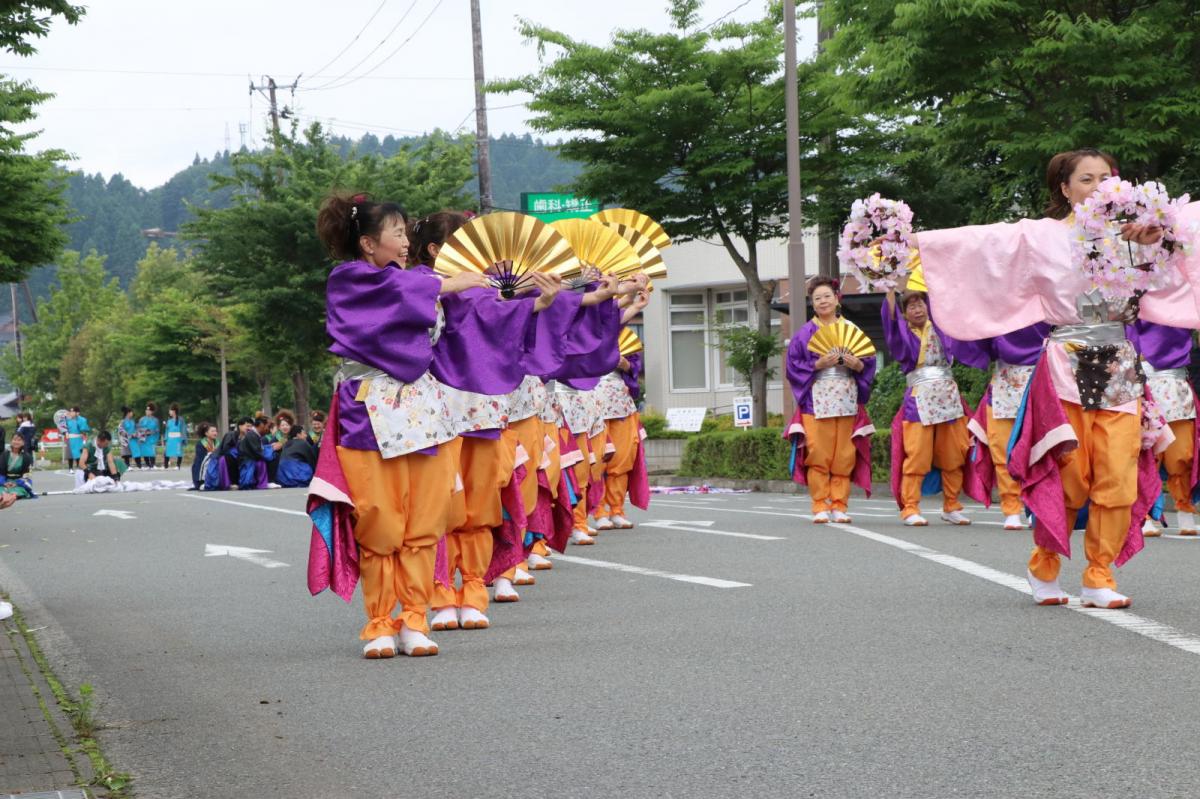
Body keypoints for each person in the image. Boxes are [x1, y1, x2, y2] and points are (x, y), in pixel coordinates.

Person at [916, 147, 1199, 609]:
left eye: (1105, 177)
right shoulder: (1038, 237)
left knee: (1117, 475)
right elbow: (979, 245)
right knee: (1070, 476)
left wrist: (1157, 240)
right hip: (1065, 361)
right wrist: (917, 246)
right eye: (1085, 179)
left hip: (1119, 365)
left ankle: (1098, 575)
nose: (1097, 186)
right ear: (1064, 189)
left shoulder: (1135, 233)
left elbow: (1182, 255)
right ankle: (1044, 563)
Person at [307, 192, 487, 659]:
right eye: (397, 232)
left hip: (423, 411)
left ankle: (414, 618)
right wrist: (447, 284)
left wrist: (531, 298)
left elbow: (473, 322)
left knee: (424, 520)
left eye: (407, 232)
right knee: (379, 520)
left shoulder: (422, 281)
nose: (406, 241)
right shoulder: (350, 280)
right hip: (367, 411)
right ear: (368, 243)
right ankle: (380, 622)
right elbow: (399, 293)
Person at [785, 277, 877, 523]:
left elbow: (868, 363)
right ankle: (819, 504)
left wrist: (857, 364)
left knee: (844, 455)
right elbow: (792, 367)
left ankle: (839, 504)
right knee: (818, 454)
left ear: (837, 298)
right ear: (812, 304)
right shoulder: (804, 334)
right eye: (817, 298)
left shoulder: (853, 331)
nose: (823, 301)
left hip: (847, 399)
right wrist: (817, 364)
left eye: (827, 296)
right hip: (816, 403)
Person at [881, 289, 972, 526]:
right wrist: (889, 286)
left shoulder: (941, 327)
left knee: (954, 454)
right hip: (919, 397)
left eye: (920, 303)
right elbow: (890, 322)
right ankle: (910, 507)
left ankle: (951, 505)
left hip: (948, 396)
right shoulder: (903, 334)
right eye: (911, 306)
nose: (917, 309)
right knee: (917, 455)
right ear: (904, 314)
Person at [950, 323, 1051, 530]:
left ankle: (1037, 508)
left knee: (1040, 449)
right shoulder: (995, 310)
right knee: (1004, 453)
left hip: (1040, 375)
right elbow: (976, 340)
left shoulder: (1041, 301)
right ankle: (1012, 508)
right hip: (1005, 382)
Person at [1126, 321, 1199, 536]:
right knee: (1148, 454)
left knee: (1183, 455)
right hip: (1146, 383)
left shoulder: (1185, 302)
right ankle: (1145, 514)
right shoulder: (1137, 296)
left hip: (1177, 386)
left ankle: (1184, 509)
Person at [237, 416, 273, 490]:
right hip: (247, 462)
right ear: (261, 425)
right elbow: (259, 452)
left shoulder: (254, 434)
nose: (268, 429)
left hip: (250, 460)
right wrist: (272, 449)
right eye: (268, 426)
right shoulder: (251, 435)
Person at [0, 435, 34, 501]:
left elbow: (27, 475)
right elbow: (1, 472)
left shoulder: (27, 457)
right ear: (11, 441)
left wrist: (16, 483)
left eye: (19, 440)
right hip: (5, 481)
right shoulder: (4, 455)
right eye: (14, 439)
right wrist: (4, 483)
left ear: (23, 442)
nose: (16, 442)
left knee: (15, 493)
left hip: (19, 482)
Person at [192, 422, 218, 490]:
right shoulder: (201, 444)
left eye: (216, 431)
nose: (215, 433)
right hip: (202, 469)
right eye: (212, 431)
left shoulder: (217, 443)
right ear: (206, 433)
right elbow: (199, 462)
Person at [64, 406, 90, 471]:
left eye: (72, 411)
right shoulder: (67, 420)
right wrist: (65, 433)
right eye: (70, 411)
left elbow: (84, 430)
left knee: (79, 454)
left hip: (79, 439)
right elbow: (63, 428)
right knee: (70, 454)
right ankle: (70, 468)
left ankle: (80, 467)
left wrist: (83, 433)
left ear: (77, 413)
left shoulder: (82, 419)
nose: (70, 413)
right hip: (70, 439)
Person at [137, 403, 161, 470]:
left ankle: (153, 464)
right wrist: (144, 431)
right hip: (144, 437)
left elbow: (157, 429)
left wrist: (152, 432)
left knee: (152, 451)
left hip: (152, 437)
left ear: (152, 412)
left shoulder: (155, 420)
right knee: (145, 451)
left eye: (149, 410)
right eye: (146, 410)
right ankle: (148, 464)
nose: (147, 412)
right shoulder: (142, 419)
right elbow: (138, 428)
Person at [163, 404, 186, 470]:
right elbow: (167, 430)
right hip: (170, 438)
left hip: (178, 438)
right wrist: (166, 438)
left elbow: (183, 429)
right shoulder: (169, 421)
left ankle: (178, 465)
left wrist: (183, 438)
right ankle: (165, 465)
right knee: (167, 451)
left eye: (170, 411)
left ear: (174, 411)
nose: (169, 412)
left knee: (179, 452)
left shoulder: (180, 419)